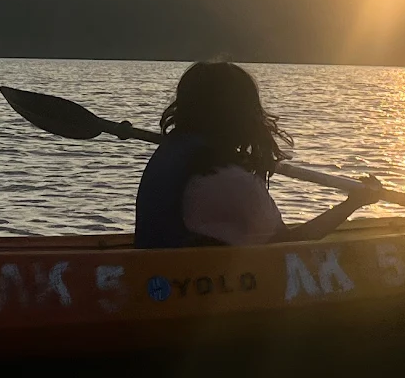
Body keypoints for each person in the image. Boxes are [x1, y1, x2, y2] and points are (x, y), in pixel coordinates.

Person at [134, 60, 379, 247]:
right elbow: (288, 248)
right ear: (241, 115)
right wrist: (351, 205)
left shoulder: (171, 153)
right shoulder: (231, 180)